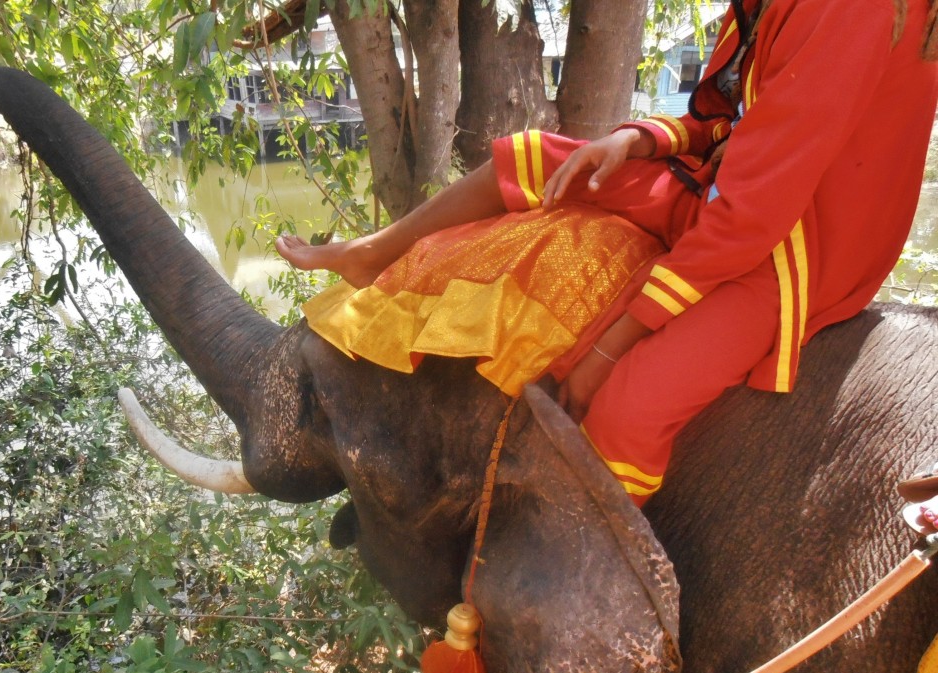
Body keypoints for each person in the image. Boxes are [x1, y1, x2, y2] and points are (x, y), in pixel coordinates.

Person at [277, 0, 938, 506]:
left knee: (627, 414)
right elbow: (727, 120)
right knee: (534, 160)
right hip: (736, 191)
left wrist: (610, 345)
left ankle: (613, 640)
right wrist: (636, 143)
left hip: (795, 253)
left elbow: (752, 219)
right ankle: (374, 252)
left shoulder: (849, 9)